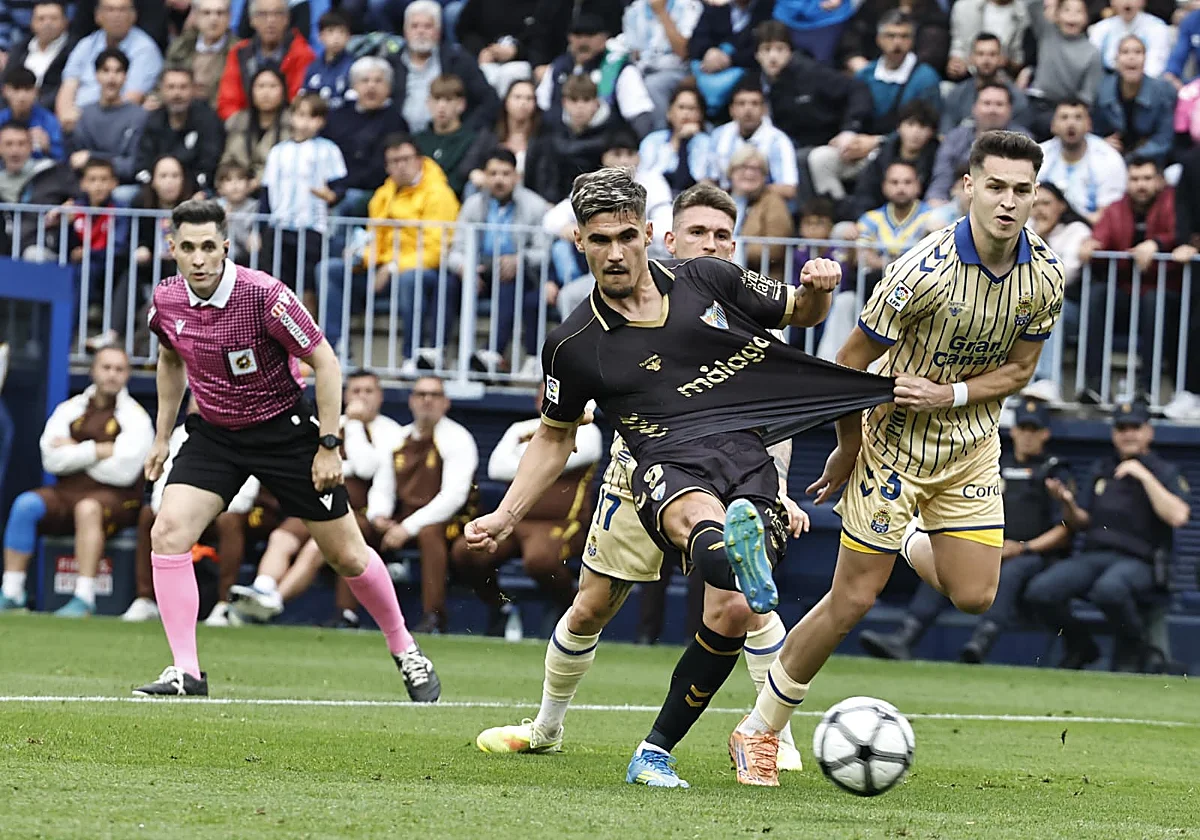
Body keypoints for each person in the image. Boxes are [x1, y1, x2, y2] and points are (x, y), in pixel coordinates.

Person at [467, 170, 896, 788]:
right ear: (580, 244)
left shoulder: (711, 279)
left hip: (740, 452)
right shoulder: (572, 344)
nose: (614, 254)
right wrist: (506, 514)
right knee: (595, 604)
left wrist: (819, 286)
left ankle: (698, 743)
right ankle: (547, 728)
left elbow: (800, 312)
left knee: (733, 602)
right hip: (648, 462)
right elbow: (556, 437)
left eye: (623, 237)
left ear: (647, 236)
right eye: (597, 241)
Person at [727, 130, 1065, 787]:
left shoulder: (1045, 275)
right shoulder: (920, 272)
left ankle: (909, 537)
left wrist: (953, 393)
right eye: (995, 186)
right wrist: (850, 449)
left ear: (1035, 197)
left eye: (1021, 190)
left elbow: (1022, 370)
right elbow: (848, 364)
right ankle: (759, 730)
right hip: (895, 444)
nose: (1007, 202)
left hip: (970, 448)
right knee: (853, 599)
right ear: (968, 186)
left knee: (975, 595)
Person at [132, 198, 439, 701]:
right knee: (167, 532)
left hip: (284, 430)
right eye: (188, 248)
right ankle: (186, 671)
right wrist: (164, 436)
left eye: (209, 246)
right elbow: (169, 360)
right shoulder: (166, 299)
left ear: (225, 246)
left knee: (347, 555)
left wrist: (328, 445)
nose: (200, 258)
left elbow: (327, 363)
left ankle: (406, 649)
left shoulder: (265, 296)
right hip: (214, 431)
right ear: (173, 250)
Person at [858, 399, 1074, 663]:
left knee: (1012, 571)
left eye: (1034, 430)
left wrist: (1023, 547)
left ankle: (979, 645)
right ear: (1013, 430)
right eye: (1023, 428)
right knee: (946, 564)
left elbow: (1064, 530)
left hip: (1034, 555)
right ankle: (906, 636)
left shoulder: (1053, 470)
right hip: (987, 545)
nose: (1028, 436)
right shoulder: (994, 464)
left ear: (1045, 433)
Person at [228, 369, 404, 624]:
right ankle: (262, 588)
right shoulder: (331, 425)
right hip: (321, 503)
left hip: (362, 515)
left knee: (317, 546)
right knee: (281, 537)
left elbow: (368, 468)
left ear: (380, 396)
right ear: (345, 394)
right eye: (356, 391)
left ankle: (275, 600)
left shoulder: (392, 432)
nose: (361, 397)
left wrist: (354, 425)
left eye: (368, 391)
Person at [1026, 400, 1189, 672]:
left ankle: (1140, 650)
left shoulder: (1164, 470)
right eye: (1121, 428)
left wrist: (1143, 475)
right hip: (1096, 555)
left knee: (1109, 590)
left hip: (1141, 561)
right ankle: (1081, 646)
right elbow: (1082, 521)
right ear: (1114, 434)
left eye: (1134, 427)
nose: (1128, 434)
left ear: (1149, 431)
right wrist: (1067, 502)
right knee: (1041, 591)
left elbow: (1179, 516)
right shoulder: (1102, 468)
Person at [0, 346, 152, 615]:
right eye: (106, 367)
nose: (112, 375)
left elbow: (124, 471)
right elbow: (51, 458)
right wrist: (100, 450)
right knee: (26, 504)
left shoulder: (136, 417)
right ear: (93, 370)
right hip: (67, 492)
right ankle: (12, 592)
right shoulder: (70, 409)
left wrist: (75, 449)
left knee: (88, 508)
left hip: (118, 499)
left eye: (119, 369)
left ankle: (84, 597)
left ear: (128, 374)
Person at [451, 382, 602, 629]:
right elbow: (496, 468)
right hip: (514, 520)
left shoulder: (587, 430)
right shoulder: (520, 428)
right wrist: (539, 455)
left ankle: (570, 612)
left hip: (562, 523)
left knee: (540, 559)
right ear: (537, 401)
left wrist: (527, 455)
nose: (553, 401)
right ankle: (501, 605)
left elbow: (555, 462)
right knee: (466, 551)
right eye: (546, 396)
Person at [122, 393, 265, 626]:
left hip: (224, 512)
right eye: (195, 401)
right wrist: (169, 514)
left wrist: (207, 510)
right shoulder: (179, 435)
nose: (199, 407)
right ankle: (145, 599)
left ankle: (224, 605)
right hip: (185, 512)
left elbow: (245, 494)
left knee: (230, 520)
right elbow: (163, 482)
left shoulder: (240, 433)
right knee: (150, 515)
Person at [318, 133, 460, 355]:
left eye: (406, 159)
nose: (401, 166)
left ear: (419, 159)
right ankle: (335, 347)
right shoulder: (383, 194)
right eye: (394, 161)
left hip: (423, 273)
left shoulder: (439, 195)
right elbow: (375, 239)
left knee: (410, 278)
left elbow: (436, 251)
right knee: (330, 269)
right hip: (382, 271)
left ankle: (411, 354)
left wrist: (393, 266)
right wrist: (360, 256)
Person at [370, 376, 479, 634]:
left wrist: (406, 528)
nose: (427, 400)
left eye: (434, 395)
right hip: (405, 518)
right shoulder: (398, 438)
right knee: (362, 527)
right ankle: (348, 613)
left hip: (453, 520)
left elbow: (453, 497)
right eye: (420, 394)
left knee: (430, 532)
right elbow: (382, 487)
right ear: (411, 401)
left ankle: (433, 616)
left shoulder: (458, 438)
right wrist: (379, 516)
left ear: (446, 402)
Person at [1076, 156, 1177, 399]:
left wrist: (1157, 244)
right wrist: (1090, 246)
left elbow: (1179, 234)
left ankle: (1147, 389)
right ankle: (1095, 386)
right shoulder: (1116, 208)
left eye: (1147, 178)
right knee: (1098, 295)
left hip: (1164, 294)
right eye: (1134, 179)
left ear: (1160, 181)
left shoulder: (1172, 203)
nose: (1140, 185)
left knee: (1154, 300)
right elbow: (1100, 239)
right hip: (1127, 291)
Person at [447, 147, 550, 375]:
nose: (499, 180)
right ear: (484, 176)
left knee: (510, 282)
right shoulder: (473, 204)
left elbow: (543, 252)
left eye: (505, 174)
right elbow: (456, 250)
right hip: (479, 270)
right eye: (493, 174)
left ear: (516, 176)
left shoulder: (535, 205)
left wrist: (519, 260)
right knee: (448, 284)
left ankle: (492, 352)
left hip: (518, 274)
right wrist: (465, 267)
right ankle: (436, 350)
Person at [258, 92, 346, 312]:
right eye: (301, 115)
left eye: (313, 117)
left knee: (307, 284)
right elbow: (267, 192)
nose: (306, 122)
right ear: (292, 116)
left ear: (321, 121)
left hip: (311, 227)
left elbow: (340, 187)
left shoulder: (328, 149)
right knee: (275, 284)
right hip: (279, 225)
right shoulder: (278, 151)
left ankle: (309, 337)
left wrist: (331, 196)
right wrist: (260, 229)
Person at [384, 0, 499, 134]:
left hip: (450, 141)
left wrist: (466, 132)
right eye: (414, 26)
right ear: (405, 31)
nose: (421, 32)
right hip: (402, 142)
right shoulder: (390, 65)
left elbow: (489, 100)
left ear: (438, 32)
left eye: (427, 26)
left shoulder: (459, 61)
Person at [535, 12, 655, 140]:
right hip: (558, 145)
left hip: (604, 145)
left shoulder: (620, 68)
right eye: (578, 35)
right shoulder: (558, 67)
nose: (583, 41)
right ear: (569, 38)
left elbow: (639, 116)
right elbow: (541, 109)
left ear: (605, 38)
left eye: (590, 35)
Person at [322, 56, 410, 222]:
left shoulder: (395, 121)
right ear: (354, 86)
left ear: (388, 87)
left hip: (373, 192)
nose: (371, 86)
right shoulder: (337, 117)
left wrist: (344, 188)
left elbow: (383, 168)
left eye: (378, 81)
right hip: (334, 188)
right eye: (365, 80)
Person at [55, 0, 161, 132]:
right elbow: (68, 86)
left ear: (133, 16)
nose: (116, 16)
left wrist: (87, 120)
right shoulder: (87, 44)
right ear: (98, 16)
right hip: (76, 122)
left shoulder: (145, 49)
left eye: (122, 10)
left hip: (115, 124)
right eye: (110, 10)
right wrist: (66, 116)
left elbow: (132, 98)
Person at [927, 82, 1030, 203]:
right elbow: (942, 177)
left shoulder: (1023, 141)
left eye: (999, 104)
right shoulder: (955, 138)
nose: (992, 110)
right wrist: (936, 200)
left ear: (1010, 109)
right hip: (955, 203)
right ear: (974, 108)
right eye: (987, 103)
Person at [1019, 0, 1103, 142]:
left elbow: (1087, 95)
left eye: (1078, 12)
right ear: (1057, 14)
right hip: (1034, 102)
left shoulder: (1092, 53)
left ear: (1087, 18)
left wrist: (1067, 114)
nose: (1072, 16)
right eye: (1067, 10)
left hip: (1064, 110)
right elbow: (1032, 5)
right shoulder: (1047, 31)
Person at [216, 0, 314, 121]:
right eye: (263, 14)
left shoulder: (302, 54)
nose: (270, 20)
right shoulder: (239, 52)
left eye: (277, 14)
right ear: (252, 20)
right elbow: (228, 103)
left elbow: (299, 104)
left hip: (288, 126)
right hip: (244, 126)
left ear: (287, 19)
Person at [133, 65, 224, 193]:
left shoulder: (208, 120)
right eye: (171, 87)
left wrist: (186, 187)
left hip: (196, 191)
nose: (177, 93)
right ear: (162, 90)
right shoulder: (152, 120)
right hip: (156, 191)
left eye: (183, 87)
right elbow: (142, 163)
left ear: (193, 89)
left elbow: (209, 164)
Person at [1037, 97, 1127, 226]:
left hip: (1089, 229)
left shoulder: (1108, 158)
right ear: (1053, 126)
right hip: (1042, 225)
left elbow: (1109, 212)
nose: (1071, 124)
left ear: (1089, 124)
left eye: (1078, 117)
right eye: (1064, 117)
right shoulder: (1038, 155)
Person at [66, 48, 146, 190]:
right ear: (96, 75)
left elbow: (134, 165)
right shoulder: (84, 114)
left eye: (118, 71)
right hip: (88, 186)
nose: (112, 78)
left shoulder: (139, 116)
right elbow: (76, 159)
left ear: (125, 76)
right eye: (106, 70)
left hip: (122, 185)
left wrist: (92, 157)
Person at [1091, 34, 1175, 165]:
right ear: (1116, 60)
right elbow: (1092, 131)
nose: (1132, 57)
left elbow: (1163, 139)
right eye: (1125, 52)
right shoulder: (1101, 90)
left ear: (1145, 59)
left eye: (1138, 52)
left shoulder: (1162, 91)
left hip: (1150, 159)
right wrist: (1101, 143)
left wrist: (1133, 157)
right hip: (1109, 157)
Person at [847, 100, 939, 221]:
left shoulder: (937, 158)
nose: (915, 132)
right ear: (899, 127)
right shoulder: (883, 155)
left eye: (922, 126)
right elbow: (865, 193)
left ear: (931, 132)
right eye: (910, 124)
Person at [855, 11, 942, 138]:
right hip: (863, 141)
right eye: (890, 36)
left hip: (903, 147)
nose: (897, 42)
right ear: (879, 39)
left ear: (912, 41)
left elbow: (925, 125)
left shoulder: (926, 78)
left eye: (904, 36)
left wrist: (879, 142)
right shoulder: (865, 74)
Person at [709, 80, 797, 202]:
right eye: (741, 103)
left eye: (755, 104)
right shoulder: (719, 135)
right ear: (732, 110)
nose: (748, 109)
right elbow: (708, 179)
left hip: (763, 203)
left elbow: (789, 189)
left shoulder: (778, 140)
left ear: (764, 110)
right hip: (725, 201)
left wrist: (749, 188)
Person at [619, 0, 704, 123]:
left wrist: (661, 12)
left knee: (653, 85)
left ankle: (663, 133)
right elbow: (635, 53)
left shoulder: (689, 6)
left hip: (679, 69)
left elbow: (683, 51)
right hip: (643, 69)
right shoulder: (634, 10)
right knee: (624, 83)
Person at [687, 0, 775, 115]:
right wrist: (709, 52)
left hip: (749, 71)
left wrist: (730, 59)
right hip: (710, 70)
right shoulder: (716, 8)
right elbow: (695, 43)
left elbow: (764, 47)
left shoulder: (767, 9)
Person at [854, 160, 934, 283]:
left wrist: (885, 265)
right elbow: (862, 255)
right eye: (894, 182)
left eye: (907, 182)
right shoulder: (870, 218)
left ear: (918, 185)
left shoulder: (932, 217)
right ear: (884, 186)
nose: (901, 188)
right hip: (877, 285)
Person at [414, 73, 490, 199]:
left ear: (461, 104)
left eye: (448, 100)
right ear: (428, 103)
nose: (441, 106)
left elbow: (460, 180)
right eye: (437, 99)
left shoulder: (472, 140)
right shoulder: (417, 140)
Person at [941, 32, 1029, 136]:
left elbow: (1021, 139)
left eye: (992, 54)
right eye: (980, 54)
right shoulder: (957, 94)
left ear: (1001, 59)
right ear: (971, 58)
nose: (986, 60)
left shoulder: (1017, 98)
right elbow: (945, 135)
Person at [219, 65, 291, 189]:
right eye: (261, 86)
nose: (266, 93)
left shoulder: (293, 123)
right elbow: (227, 162)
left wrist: (259, 181)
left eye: (273, 86)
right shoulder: (237, 122)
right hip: (238, 191)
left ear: (283, 91)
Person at [637, 82, 715, 195]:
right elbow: (643, 177)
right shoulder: (652, 140)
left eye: (692, 108)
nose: (686, 113)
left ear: (700, 115)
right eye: (681, 107)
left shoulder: (707, 143)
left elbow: (699, 182)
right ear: (669, 113)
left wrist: (684, 142)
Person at [729, 145, 793, 278]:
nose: (749, 173)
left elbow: (775, 249)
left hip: (761, 280)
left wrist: (730, 249)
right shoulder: (721, 199)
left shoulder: (773, 202)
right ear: (731, 172)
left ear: (765, 176)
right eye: (743, 167)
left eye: (756, 169)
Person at [164, 0, 234, 108]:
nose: (213, 19)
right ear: (196, 17)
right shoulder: (181, 46)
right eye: (206, 13)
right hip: (182, 111)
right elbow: (164, 80)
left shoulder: (238, 50)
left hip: (219, 112)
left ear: (229, 18)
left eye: (220, 13)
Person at [5, 0, 73, 110]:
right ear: (32, 22)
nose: (47, 23)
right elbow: (6, 83)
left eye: (53, 18)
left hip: (52, 112)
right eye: (41, 18)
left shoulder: (73, 50)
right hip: (13, 112)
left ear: (65, 22)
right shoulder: (19, 50)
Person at [947, 0, 1029, 81]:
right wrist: (956, 65)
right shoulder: (964, 7)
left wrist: (1006, 63)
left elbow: (1019, 60)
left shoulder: (1024, 13)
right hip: (968, 77)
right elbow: (958, 47)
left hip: (1004, 80)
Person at [1087, 0, 1170, 79]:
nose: (1127, 2)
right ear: (1112, 2)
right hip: (1107, 83)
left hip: (1147, 84)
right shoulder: (1101, 28)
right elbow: (1093, 67)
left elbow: (1155, 67)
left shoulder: (1157, 27)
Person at [0, 65, 63, 161]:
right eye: (16, 89)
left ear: (36, 92)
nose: (22, 96)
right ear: (5, 91)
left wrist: (48, 148)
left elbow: (63, 160)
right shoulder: (1, 119)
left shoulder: (49, 121)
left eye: (27, 89)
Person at [301, 10, 353, 110]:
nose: (336, 37)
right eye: (330, 31)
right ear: (320, 36)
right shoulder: (313, 67)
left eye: (342, 32)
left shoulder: (353, 67)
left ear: (348, 37)